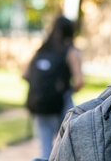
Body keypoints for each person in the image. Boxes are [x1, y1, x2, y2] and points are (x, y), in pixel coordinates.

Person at [23, 16, 84, 159]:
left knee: (45, 148)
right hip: (61, 104)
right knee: (66, 146)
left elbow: (24, 74)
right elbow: (79, 81)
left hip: (39, 105)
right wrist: (67, 90)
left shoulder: (41, 49)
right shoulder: (71, 52)